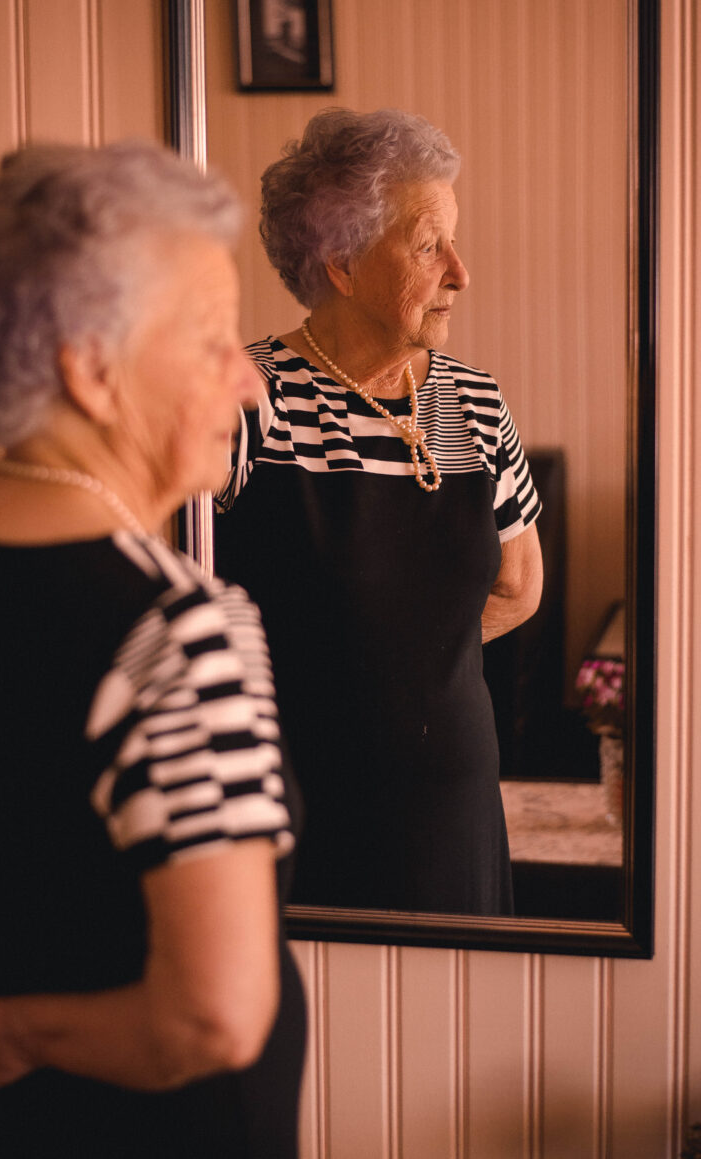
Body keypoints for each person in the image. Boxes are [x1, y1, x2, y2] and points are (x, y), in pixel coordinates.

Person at [0, 140, 304, 1157]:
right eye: (213, 340)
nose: (248, 381)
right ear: (90, 372)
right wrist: (6, 1032)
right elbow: (215, 1018)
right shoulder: (179, 628)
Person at [214, 108, 543, 915]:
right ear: (343, 263)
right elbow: (169, 594)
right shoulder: (247, 400)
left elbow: (518, 587)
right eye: (429, 244)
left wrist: (403, 670)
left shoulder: (472, 400)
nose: (462, 272)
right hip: (300, 803)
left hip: (456, 808)